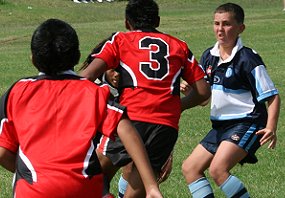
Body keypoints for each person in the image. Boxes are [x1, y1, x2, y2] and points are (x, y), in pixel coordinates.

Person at [0, 18, 163, 198]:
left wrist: (33, 172)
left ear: (32, 58)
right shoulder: (92, 91)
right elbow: (125, 128)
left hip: (33, 190)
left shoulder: (18, 91)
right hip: (83, 188)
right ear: (77, 56)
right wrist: (151, 186)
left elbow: (2, 152)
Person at [80, 0, 211, 197]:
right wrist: (179, 106)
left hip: (129, 120)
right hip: (165, 128)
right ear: (157, 20)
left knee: (91, 178)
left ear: (127, 23)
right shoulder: (179, 46)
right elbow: (203, 92)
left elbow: (87, 76)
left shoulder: (121, 40)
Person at [181, 3, 281, 198]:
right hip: (220, 127)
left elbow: (273, 96)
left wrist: (271, 127)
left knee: (218, 170)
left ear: (240, 28)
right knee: (190, 168)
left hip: (247, 122)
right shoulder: (209, 56)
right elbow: (204, 98)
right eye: (216, 23)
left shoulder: (248, 59)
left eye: (226, 24)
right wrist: (190, 91)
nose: (220, 29)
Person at [81, 39, 175, 198]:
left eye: (121, 70)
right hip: (86, 153)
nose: (117, 74)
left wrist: (166, 152)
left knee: (134, 165)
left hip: (117, 143)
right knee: (95, 178)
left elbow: (152, 123)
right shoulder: (93, 90)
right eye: (113, 69)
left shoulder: (130, 90)